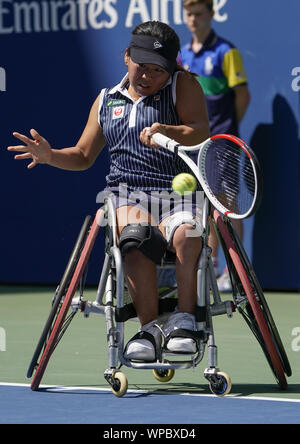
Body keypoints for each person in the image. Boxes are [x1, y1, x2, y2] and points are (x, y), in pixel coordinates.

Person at [8, 21, 210, 362]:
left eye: (158, 70)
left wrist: (167, 130)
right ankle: (149, 329)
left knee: (187, 236)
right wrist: (50, 155)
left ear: (172, 68)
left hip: (178, 195)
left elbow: (199, 131)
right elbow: (84, 156)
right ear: (126, 56)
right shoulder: (106, 100)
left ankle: (185, 320)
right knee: (134, 238)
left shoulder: (183, 85)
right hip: (128, 195)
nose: (147, 76)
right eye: (141, 66)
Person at [178, 0, 251, 291]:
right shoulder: (182, 54)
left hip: (222, 142)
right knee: (204, 209)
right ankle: (211, 269)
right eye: (189, 14)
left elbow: (242, 97)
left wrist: (225, 134)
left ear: (211, 14)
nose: (193, 19)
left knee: (227, 206)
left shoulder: (226, 52)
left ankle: (234, 272)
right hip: (194, 145)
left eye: (198, 14)